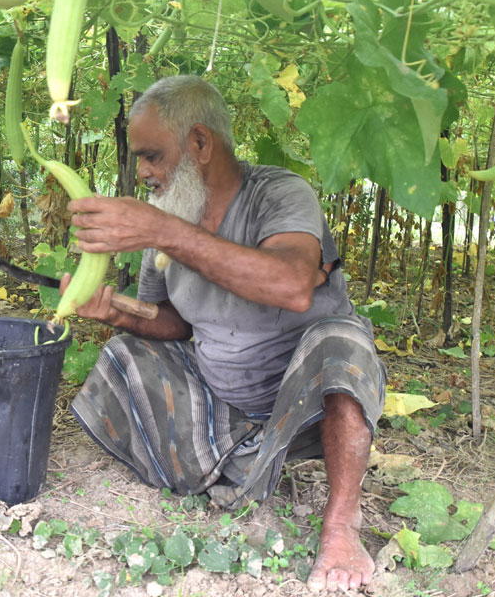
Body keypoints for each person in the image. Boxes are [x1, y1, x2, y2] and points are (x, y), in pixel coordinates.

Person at [58, 75, 387, 592]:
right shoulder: (169, 214)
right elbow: (173, 321)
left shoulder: (277, 192)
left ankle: (342, 525)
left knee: (342, 345)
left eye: (151, 156)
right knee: (125, 355)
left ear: (200, 143)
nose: (142, 173)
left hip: (303, 410)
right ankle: (232, 465)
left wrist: (162, 231)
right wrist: (115, 311)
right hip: (222, 403)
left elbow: (292, 284)